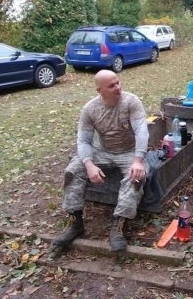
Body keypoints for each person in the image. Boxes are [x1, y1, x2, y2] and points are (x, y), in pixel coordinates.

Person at [50, 70, 149, 256]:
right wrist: (89, 165)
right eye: (111, 85)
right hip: (102, 151)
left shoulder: (131, 101)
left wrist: (138, 160)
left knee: (136, 176)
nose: (117, 87)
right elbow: (83, 141)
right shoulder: (90, 109)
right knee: (72, 170)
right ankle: (75, 223)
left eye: (118, 82)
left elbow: (142, 132)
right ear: (99, 90)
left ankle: (120, 225)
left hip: (129, 152)